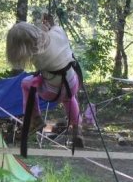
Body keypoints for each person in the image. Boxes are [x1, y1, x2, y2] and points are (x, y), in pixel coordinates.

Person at [6, 13, 84, 147]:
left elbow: (37, 46)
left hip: (52, 92)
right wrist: (50, 25)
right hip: (73, 83)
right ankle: (77, 128)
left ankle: (34, 118)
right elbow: (50, 35)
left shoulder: (37, 57)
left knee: (26, 83)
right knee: (69, 97)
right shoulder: (59, 33)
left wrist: (43, 30)